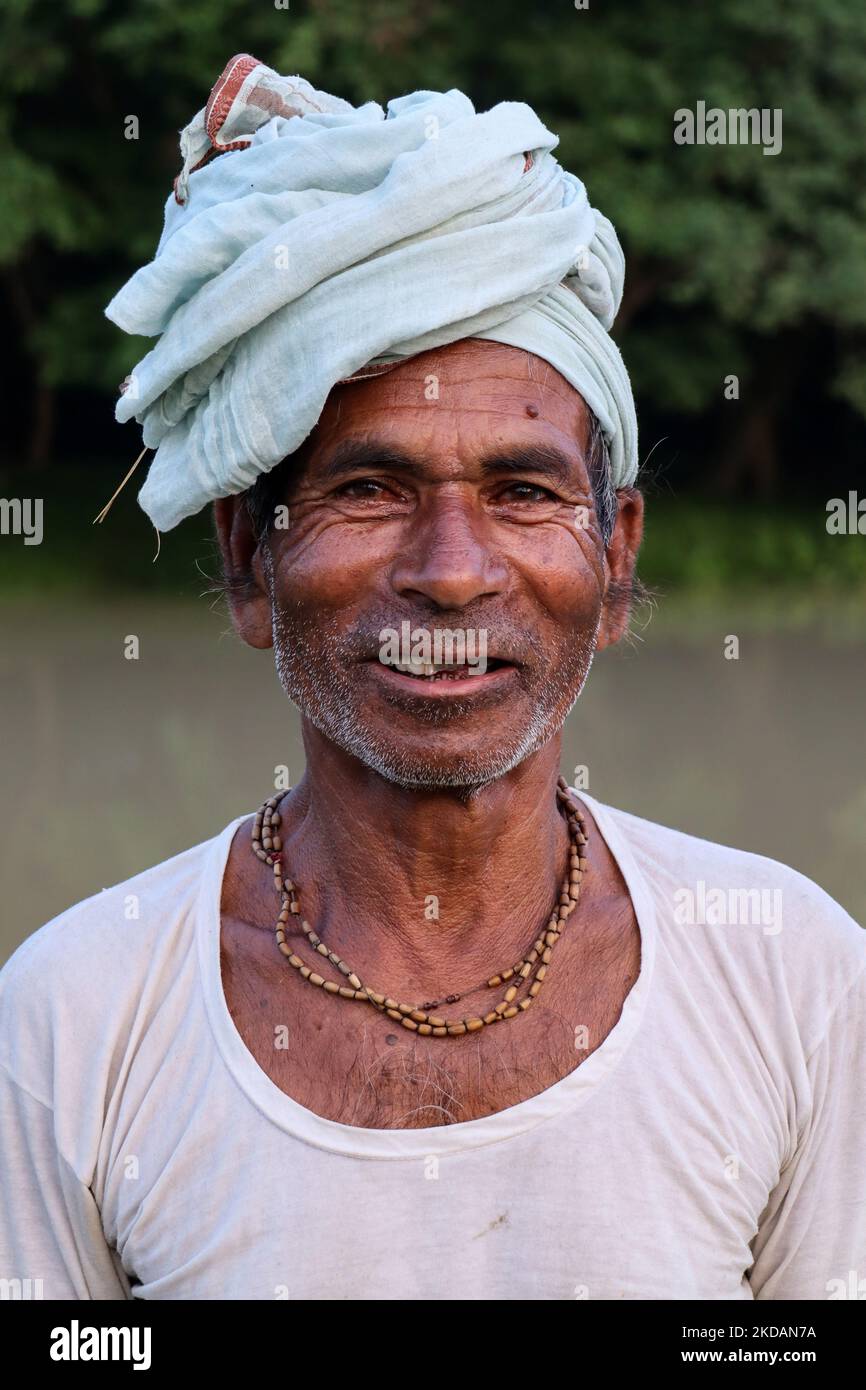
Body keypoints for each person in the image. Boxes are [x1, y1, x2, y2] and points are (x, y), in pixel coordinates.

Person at [1, 55, 864, 1302]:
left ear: (612, 563)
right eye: (368, 489)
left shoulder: (797, 979)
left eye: (522, 492)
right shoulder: (74, 1019)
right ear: (252, 560)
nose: (452, 574)